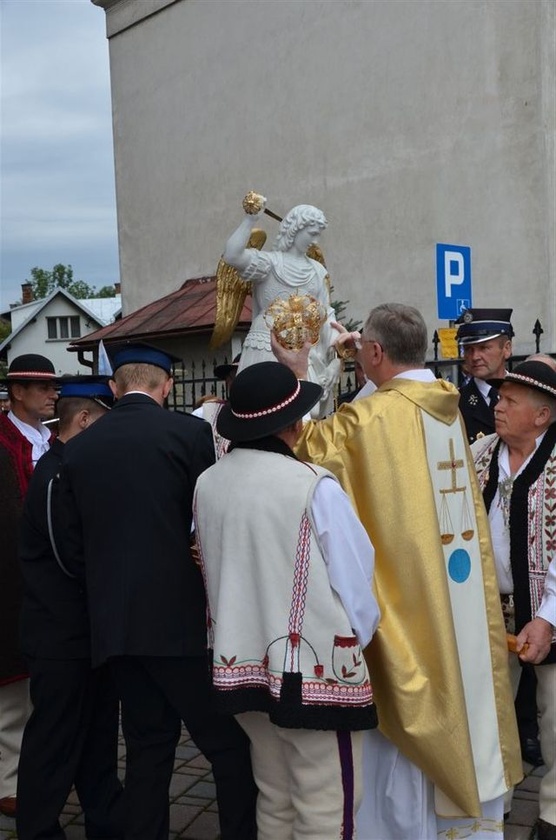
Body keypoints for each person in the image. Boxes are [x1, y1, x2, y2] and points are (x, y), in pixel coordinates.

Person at [272, 303, 522, 840]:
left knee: (402, 725)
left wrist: (295, 368)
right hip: (454, 598)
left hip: (406, 605)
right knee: (463, 688)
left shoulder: (370, 420)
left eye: (366, 351)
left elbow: (299, 441)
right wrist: (365, 362)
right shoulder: (447, 406)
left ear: (377, 353)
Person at [55, 342, 257, 840]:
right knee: (226, 745)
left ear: (113, 388)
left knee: (147, 746)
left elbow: (72, 542)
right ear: (166, 387)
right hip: (179, 622)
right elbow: (210, 514)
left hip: (115, 623)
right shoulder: (188, 433)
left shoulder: (78, 449)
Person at [193, 361, 380, 840]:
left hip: (240, 665)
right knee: (327, 807)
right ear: (293, 425)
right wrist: (355, 644)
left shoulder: (208, 483)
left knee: (274, 796)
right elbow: (356, 582)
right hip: (315, 675)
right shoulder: (312, 485)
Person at [17, 376, 123, 840]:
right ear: (83, 420)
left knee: (98, 739)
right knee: (53, 744)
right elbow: (70, 557)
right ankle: (37, 830)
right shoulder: (56, 473)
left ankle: (106, 822)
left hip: (86, 633)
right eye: (103, 424)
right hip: (60, 639)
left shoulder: (73, 469)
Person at [471, 359, 556, 840]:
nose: (497, 407)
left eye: (508, 401)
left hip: (549, 609)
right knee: (490, 717)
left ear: (541, 416)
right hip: (489, 610)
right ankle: (489, 812)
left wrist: (546, 618)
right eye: (499, 398)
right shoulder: (479, 452)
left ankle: (552, 816)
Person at [0, 353, 59, 819]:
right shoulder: (3, 442)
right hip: (10, 576)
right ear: (17, 391)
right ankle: (8, 780)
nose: (51, 394)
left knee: (42, 686)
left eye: (52, 387)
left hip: (46, 578)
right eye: (41, 388)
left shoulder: (50, 439)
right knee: (12, 692)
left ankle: (37, 771)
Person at [223, 196, 341, 418]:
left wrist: (337, 358)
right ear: (297, 228)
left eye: (318, 235)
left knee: (305, 413)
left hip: (302, 350)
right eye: (312, 233)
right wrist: (250, 219)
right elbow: (232, 255)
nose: (315, 241)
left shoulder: (317, 271)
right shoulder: (269, 263)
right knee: (263, 408)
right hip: (265, 345)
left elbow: (326, 316)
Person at [456, 307, 514, 444]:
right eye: (468, 349)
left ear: (506, 349)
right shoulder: (456, 404)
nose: (475, 357)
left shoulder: (526, 395)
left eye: (484, 348)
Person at [192, 353, 241, 458]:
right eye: (236, 376)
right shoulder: (204, 413)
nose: (242, 382)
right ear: (228, 381)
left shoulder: (275, 417)